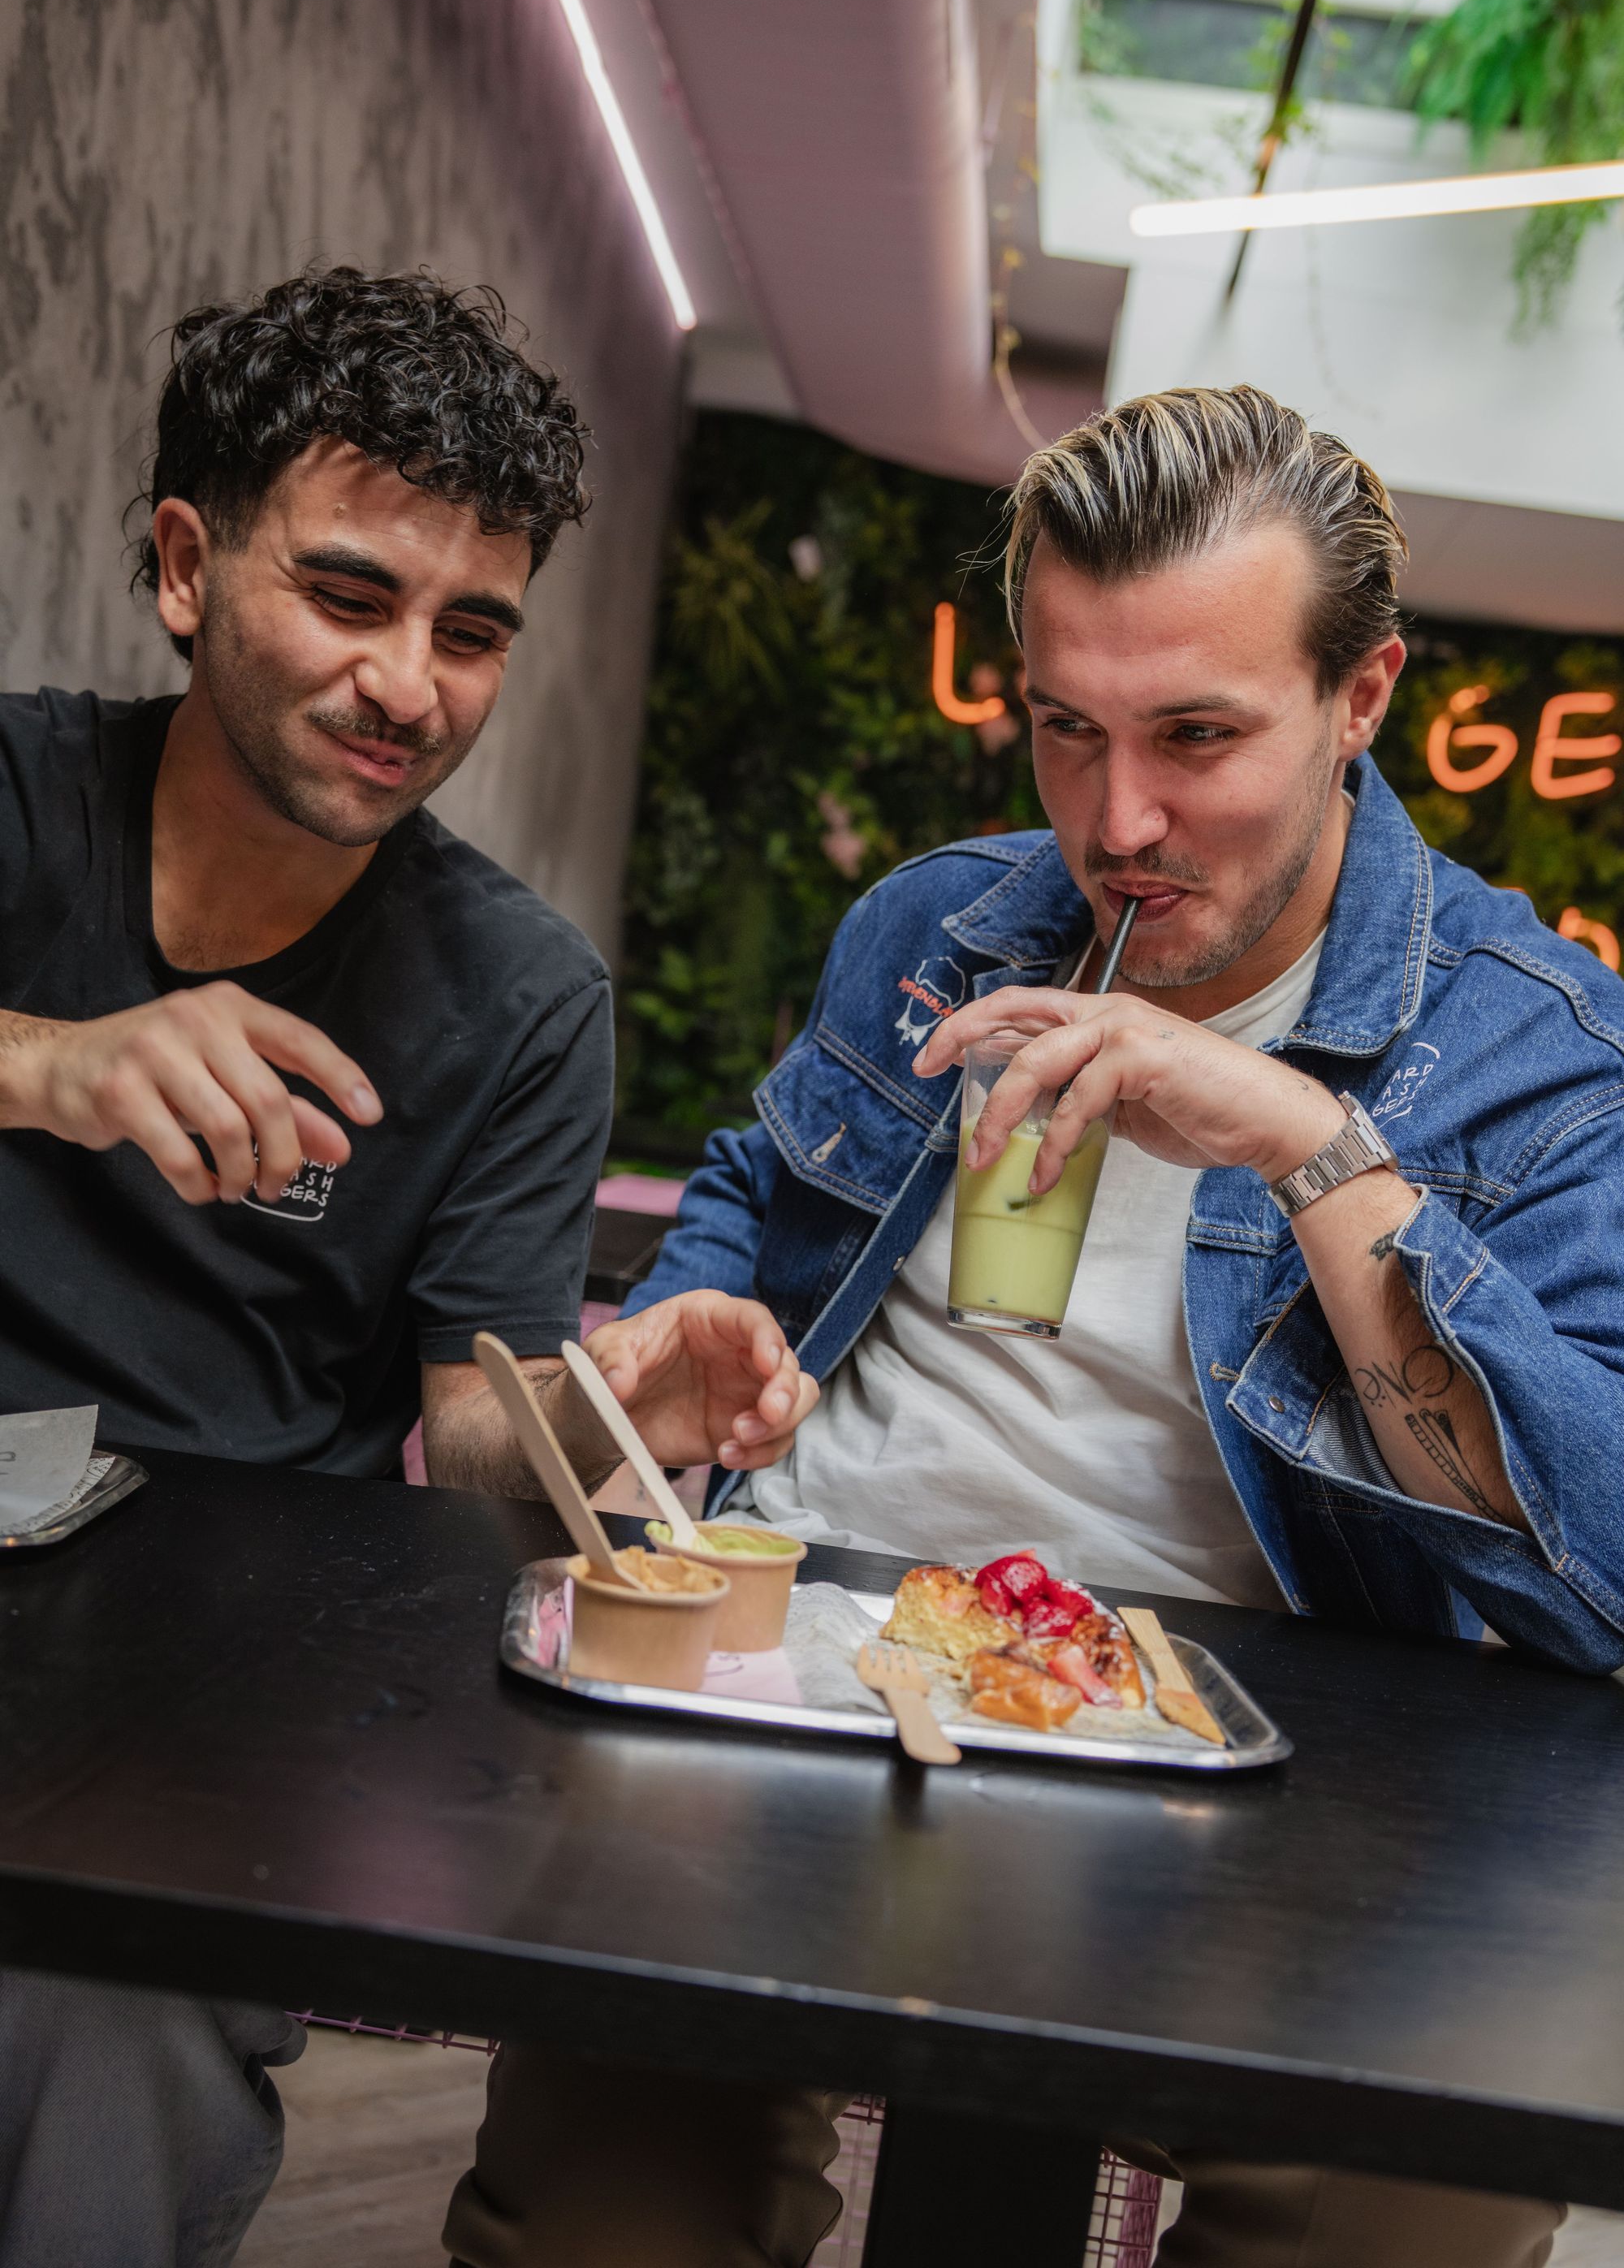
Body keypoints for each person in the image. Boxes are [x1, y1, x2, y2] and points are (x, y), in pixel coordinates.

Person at [462, 387, 1621, 2266]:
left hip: (1264, 1788)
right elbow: (750, 1217)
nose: (1115, 820)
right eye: (1065, 728)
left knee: (1433, 2181)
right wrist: (667, 1345)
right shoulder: (942, 925)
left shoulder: (1532, 1056)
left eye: (1195, 738)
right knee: (598, 2205)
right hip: (812, 1686)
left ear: (1365, 696)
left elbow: (1607, 1567)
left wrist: (1313, 1153)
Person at [0, 265, 816, 2268]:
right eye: (350, 598)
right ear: (187, 565)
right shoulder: (17, 799)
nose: (410, 687)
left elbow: (469, 1432)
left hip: (181, 1701)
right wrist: (47, 1064)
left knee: (101, 2016)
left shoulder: (517, 999)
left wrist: (602, 1411)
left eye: (471, 633)